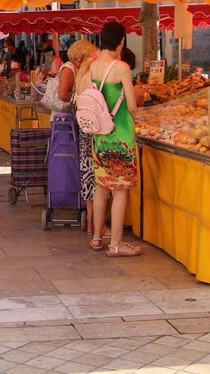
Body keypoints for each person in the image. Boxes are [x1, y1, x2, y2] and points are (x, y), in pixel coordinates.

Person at [78, 21, 141, 257]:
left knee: (102, 187)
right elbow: (133, 106)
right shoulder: (121, 67)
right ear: (121, 41)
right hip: (121, 135)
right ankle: (116, 244)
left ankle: (96, 237)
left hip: (100, 136)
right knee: (121, 190)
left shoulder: (91, 67)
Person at [57, 40, 99, 234]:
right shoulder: (87, 73)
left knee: (88, 175)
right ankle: (98, 224)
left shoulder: (80, 74)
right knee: (97, 178)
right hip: (94, 129)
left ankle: (91, 221)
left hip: (83, 127)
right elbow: (63, 94)